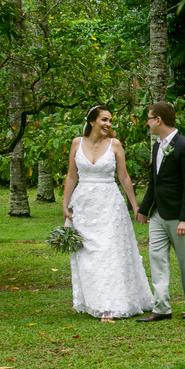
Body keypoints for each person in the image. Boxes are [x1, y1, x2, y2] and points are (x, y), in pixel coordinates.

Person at [62, 105, 154, 320]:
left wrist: (135, 206)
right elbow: (71, 176)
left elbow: (124, 177)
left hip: (110, 204)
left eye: (110, 120)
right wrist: (65, 205)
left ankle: (110, 306)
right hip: (84, 206)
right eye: (104, 120)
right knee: (88, 255)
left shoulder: (115, 144)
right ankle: (95, 301)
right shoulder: (77, 143)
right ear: (92, 121)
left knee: (109, 252)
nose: (108, 124)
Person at [137, 101, 185, 321]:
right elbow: (154, 182)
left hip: (179, 215)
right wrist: (144, 209)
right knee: (156, 259)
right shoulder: (157, 145)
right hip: (158, 214)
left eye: (148, 118)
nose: (146, 123)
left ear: (158, 120)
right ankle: (161, 307)